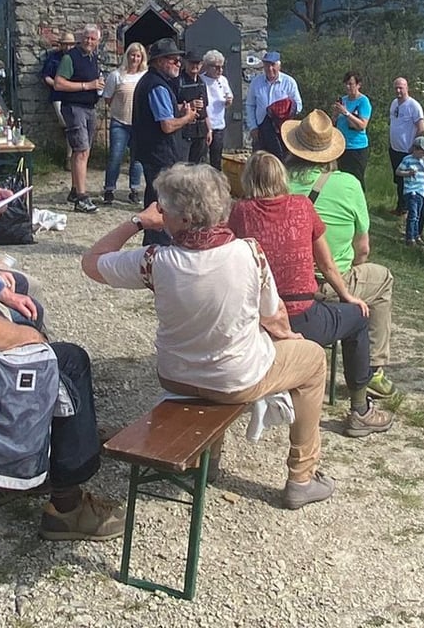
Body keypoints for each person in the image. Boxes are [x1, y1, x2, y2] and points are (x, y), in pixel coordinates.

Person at [81, 164, 336, 509]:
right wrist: (288, 339)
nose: (161, 214)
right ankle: (301, 477)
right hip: (235, 380)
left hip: (178, 377)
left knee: (216, 348)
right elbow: (274, 317)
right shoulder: (249, 253)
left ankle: (210, 460)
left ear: (183, 218)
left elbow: (92, 262)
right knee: (313, 360)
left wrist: (138, 222)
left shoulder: (155, 261)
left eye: (164, 209)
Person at [0, 125, 121, 540]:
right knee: (65, 360)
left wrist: (0, 290)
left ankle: (3, 472)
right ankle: (67, 503)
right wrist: (27, 338)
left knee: (27, 306)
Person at [228, 152, 396, 436]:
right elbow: (327, 264)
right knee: (358, 318)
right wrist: (348, 296)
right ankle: (360, 409)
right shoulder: (302, 206)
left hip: (263, 317)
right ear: (279, 177)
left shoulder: (240, 212)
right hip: (303, 315)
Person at [282, 110, 398, 399]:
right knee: (382, 279)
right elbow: (363, 249)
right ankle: (372, 369)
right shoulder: (348, 184)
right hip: (331, 284)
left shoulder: (279, 181)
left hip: (283, 286)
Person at [131, 39, 202, 246]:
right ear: (160, 61)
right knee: (162, 200)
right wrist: (187, 118)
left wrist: (178, 110)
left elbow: (161, 116)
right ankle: (158, 242)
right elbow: (167, 126)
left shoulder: (152, 82)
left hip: (152, 151)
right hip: (160, 153)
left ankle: (153, 241)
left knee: (155, 196)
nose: (179, 64)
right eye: (174, 60)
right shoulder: (157, 86)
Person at [48, 26, 106, 213]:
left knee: (83, 151)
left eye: (93, 39)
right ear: (82, 38)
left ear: (97, 41)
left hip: (89, 107)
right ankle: (82, 198)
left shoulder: (93, 58)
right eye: (87, 38)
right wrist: (87, 85)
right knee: (81, 151)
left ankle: (75, 190)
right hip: (74, 107)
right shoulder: (70, 58)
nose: (89, 42)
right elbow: (59, 83)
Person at [99, 43, 147, 205]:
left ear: (142, 58)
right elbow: (108, 97)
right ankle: (109, 189)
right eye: (132, 55)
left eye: (138, 56)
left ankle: (134, 189)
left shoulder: (145, 76)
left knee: (137, 158)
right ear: (127, 56)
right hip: (120, 121)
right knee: (115, 156)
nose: (135, 58)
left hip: (139, 123)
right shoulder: (116, 75)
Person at [244, 50, 301, 151]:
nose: (270, 68)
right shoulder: (256, 82)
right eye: (266, 65)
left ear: (279, 66)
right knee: (260, 160)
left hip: (282, 130)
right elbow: (250, 105)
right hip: (261, 128)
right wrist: (253, 126)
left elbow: (298, 106)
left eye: (272, 65)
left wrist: (285, 110)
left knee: (282, 159)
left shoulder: (289, 82)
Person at [387, 78, 424, 216]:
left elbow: (421, 128)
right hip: (394, 148)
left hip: (407, 150)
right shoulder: (394, 104)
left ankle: (410, 211)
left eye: (401, 88)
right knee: (399, 180)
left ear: (406, 88)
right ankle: (401, 207)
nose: (398, 91)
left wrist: (414, 148)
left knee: (408, 182)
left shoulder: (414, 106)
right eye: (396, 88)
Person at [332, 72, 373, 183]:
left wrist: (346, 113)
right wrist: (335, 114)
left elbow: (362, 125)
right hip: (342, 146)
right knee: (342, 180)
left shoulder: (363, 101)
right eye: (346, 84)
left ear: (358, 85)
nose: (348, 87)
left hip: (356, 147)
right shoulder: (343, 100)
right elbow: (334, 123)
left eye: (351, 84)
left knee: (356, 180)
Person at [395, 136, 424, 247]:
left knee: (418, 215)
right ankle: (410, 237)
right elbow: (398, 171)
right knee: (413, 214)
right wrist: (408, 173)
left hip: (421, 191)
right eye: (423, 151)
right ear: (416, 149)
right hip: (411, 190)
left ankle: (417, 236)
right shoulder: (408, 159)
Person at [180, 51, 212, 166]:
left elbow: (205, 109)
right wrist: (190, 105)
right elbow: (172, 107)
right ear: (185, 63)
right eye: (192, 63)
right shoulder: (178, 82)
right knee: (183, 167)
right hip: (184, 132)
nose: (195, 66)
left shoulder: (202, 83)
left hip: (201, 132)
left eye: (197, 63)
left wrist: (209, 130)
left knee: (198, 167)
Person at [200, 50, 235, 156]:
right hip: (204, 124)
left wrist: (228, 101)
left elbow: (229, 99)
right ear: (207, 66)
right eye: (216, 67)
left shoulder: (223, 80)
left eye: (221, 67)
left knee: (217, 156)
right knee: (202, 156)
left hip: (219, 124)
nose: (220, 70)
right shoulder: (201, 80)